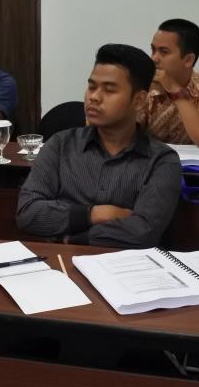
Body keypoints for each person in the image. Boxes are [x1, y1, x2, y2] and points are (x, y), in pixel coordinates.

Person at [16, 44, 180, 248]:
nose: (94, 97)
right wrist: (94, 214)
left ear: (138, 101)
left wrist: (73, 239)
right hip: (60, 263)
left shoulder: (162, 160)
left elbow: (144, 232)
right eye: (92, 87)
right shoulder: (60, 144)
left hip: (121, 264)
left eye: (109, 90)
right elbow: (28, 213)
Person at [142, 18, 199, 147]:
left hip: (195, 161)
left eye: (164, 52)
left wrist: (175, 90)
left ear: (188, 60)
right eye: (153, 50)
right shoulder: (144, 85)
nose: (154, 58)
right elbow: (124, 135)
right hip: (151, 158)